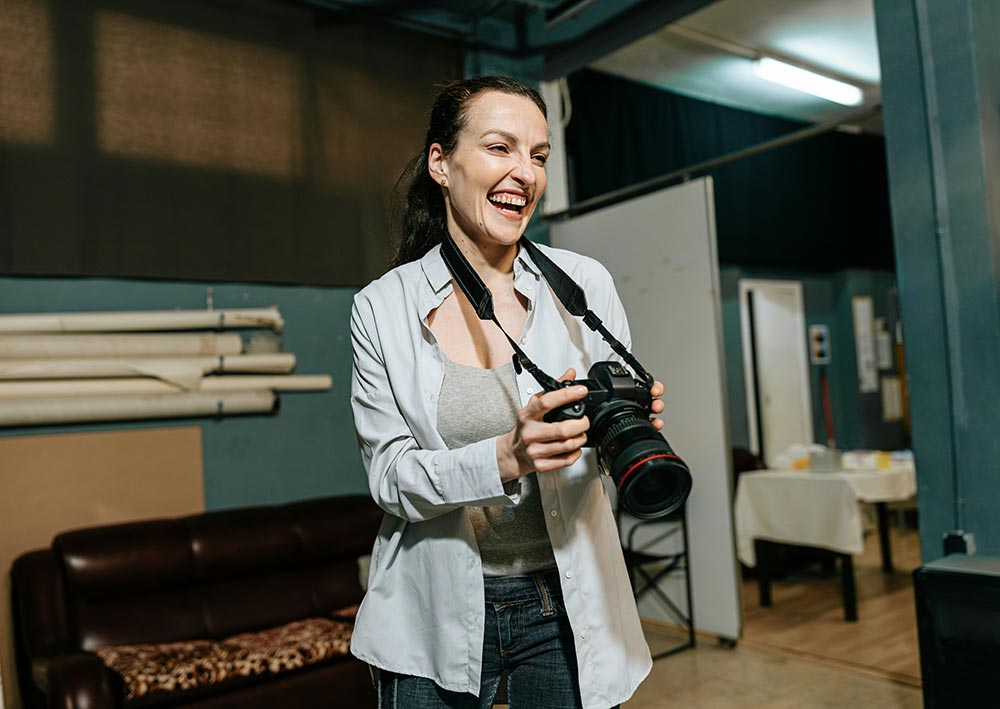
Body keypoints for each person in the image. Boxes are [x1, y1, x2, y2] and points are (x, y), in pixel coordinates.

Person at [349, 75, 666, 709]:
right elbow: (389, 479)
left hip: (563, 607)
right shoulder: (381, 307)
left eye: (539, 155)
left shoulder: (584, 285)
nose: (525, 171)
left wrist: (623, 424)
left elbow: (599, 450)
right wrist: (506, 457)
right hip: (430, 612)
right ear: (442, 163)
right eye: (501, 148)